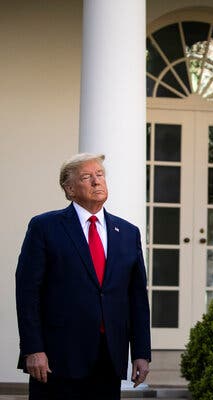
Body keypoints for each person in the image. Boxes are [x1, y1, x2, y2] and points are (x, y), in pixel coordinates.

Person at [16, 153, 151, 400]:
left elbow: (137, 298)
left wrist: (141, 352)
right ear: (69, 189)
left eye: (100, 175)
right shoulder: (45, 227)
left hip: (109, 357)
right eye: (87, 177)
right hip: (57, 358)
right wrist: (33, 349)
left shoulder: (128, 233)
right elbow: (27, 293)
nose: (96, 181)